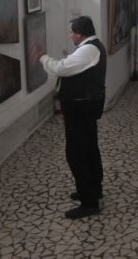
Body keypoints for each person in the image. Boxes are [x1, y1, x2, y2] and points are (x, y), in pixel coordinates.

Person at [36, 16, 106, 219]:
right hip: (85, 109)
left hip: (80, 110)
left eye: (72, 32)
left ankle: (89, 202)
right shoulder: (92, 46)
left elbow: (60, 68)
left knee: (76, 154)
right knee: (90, 149)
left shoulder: (88, 50)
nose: (70, 35)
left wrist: (43, 57)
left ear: (80, 34)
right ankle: (93, 189)